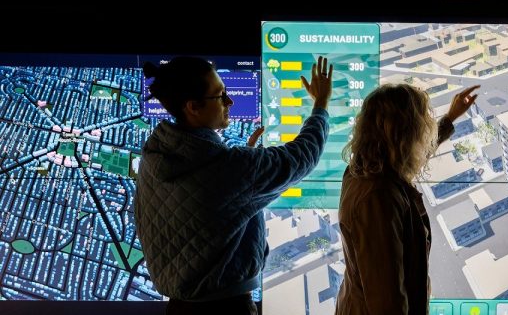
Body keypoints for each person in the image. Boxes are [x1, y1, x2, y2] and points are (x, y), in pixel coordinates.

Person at [135, 56, 333, 315]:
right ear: (193, 107)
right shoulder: (229, 168)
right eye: (220, 96)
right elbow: (300, 158)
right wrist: (320, 105)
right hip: (229, 309)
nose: (230, 101)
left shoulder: (154, 158)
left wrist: (247, 167)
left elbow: (208, 207)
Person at [335, 84, 481, 315]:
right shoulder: (378, 198)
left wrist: (450, 118)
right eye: (422, 125)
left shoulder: (367, 170)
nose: (426, 132)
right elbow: (389, 302)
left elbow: (414, 158)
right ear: (405, 134)